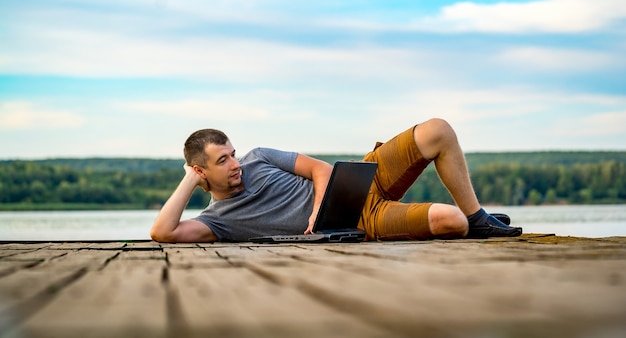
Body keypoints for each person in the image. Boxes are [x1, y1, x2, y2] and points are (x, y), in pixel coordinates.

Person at [150, 118, 522, 243]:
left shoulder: (259, 157)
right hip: (363, 220)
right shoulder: (218, 221)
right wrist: (187, 179)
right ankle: (467, 221)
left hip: (361, 176)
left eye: (232, 153)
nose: (235, 163)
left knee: (438, 130)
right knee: (449, 222)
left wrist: (317, 215)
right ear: (201, 171)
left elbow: (321, 170)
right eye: (222, 160)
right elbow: (163, 233)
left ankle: (479, 218)